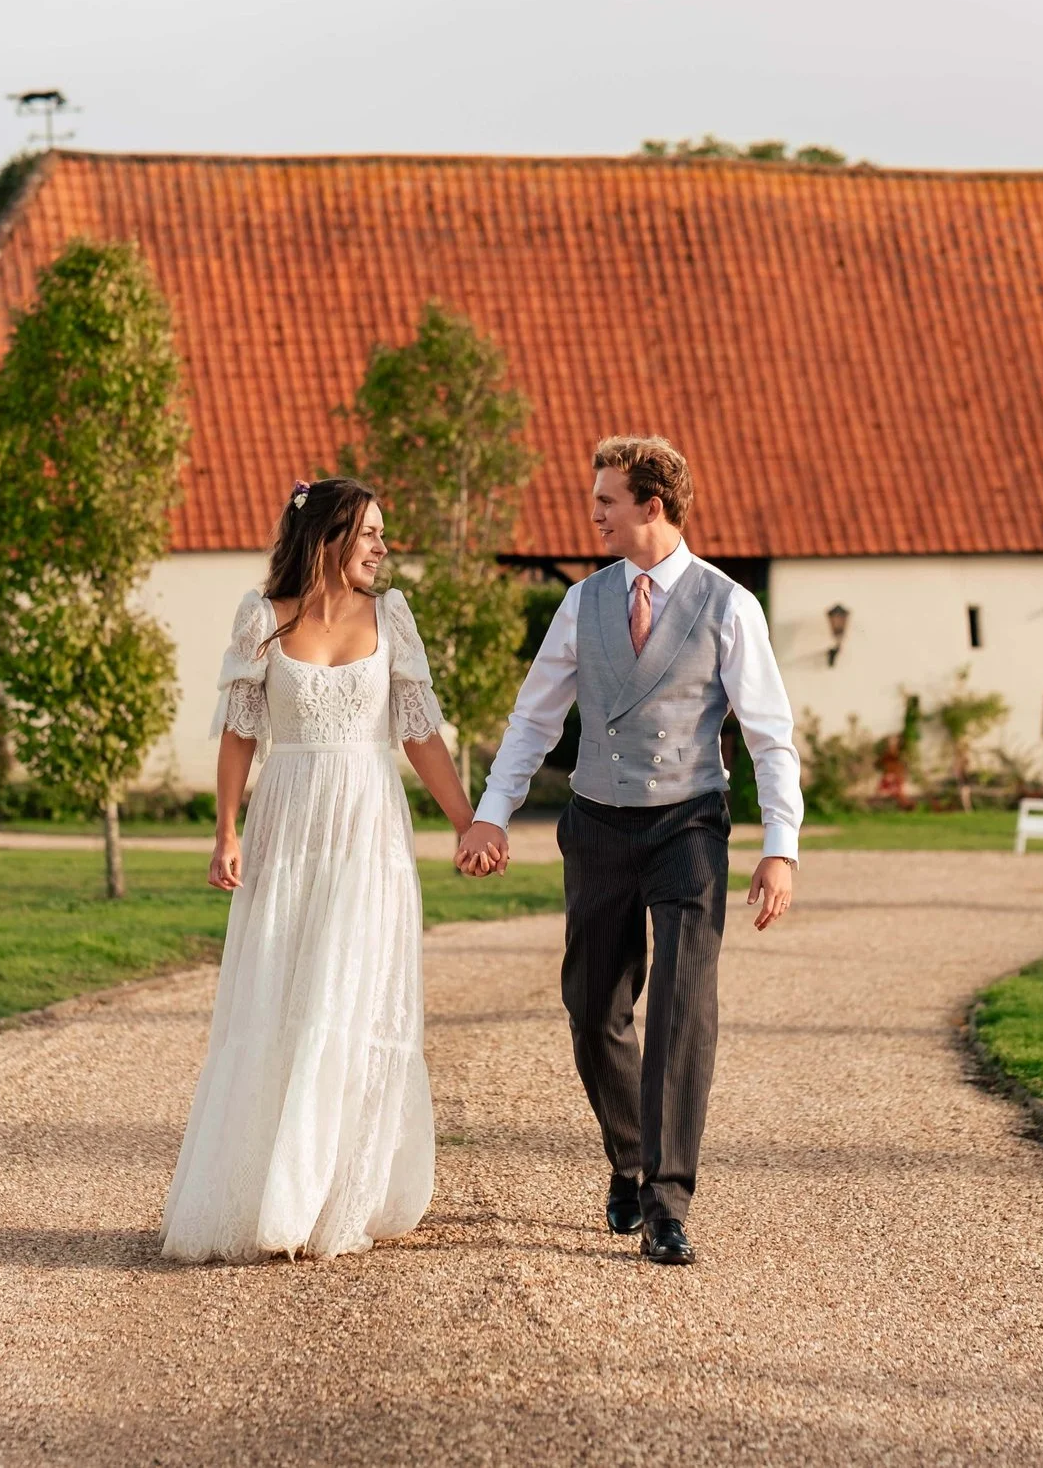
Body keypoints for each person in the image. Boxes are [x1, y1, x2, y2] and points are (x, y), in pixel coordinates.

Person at [456, 436, 801, 1266]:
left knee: (684, 1010)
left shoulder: (729, 605)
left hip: (688, 825)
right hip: (598, 826)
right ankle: (631, 1155)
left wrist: (779, 843)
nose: (594, 512)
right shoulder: (582, 603)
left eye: (606, 498)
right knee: (593, 1008)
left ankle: (666, 1201)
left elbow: (768, 732)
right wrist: (493, 811)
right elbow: (535, 716)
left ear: (653, 504)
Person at [161, 478, 471, 1262]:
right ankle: (271, 1191)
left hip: (368, 825)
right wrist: (226, 829)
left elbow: (420, 731)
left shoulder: (391, 617)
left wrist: (469, 821)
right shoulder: (261, 618)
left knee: (352, 994)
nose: (380, 547)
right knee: (283, 990)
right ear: (329, 536)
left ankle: (340, 1193)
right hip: (289, 825)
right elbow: (238, 732)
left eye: (382, 535)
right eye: (368, 533)